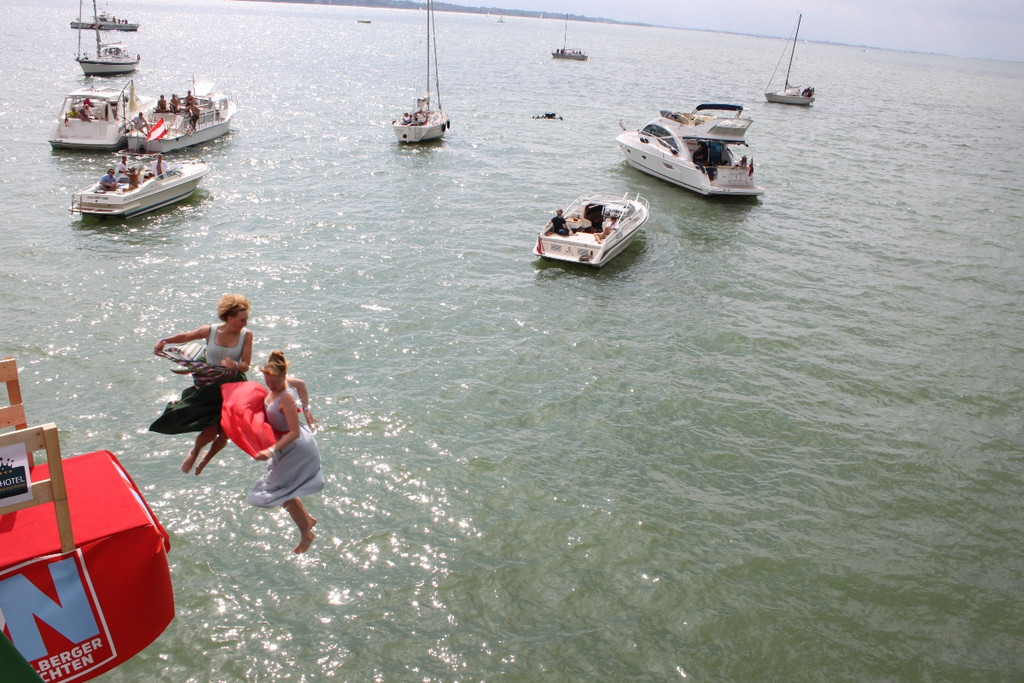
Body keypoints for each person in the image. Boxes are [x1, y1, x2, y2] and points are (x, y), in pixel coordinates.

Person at [150, 293, 254, 475]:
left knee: (226, 433)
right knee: (210, 433)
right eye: (242, 320)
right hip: (209, 387)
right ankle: (195, 452)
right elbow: (187, 336)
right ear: (230, 318)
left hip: (232, 386)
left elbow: (245, 365)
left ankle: (206, 458)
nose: (245, 323)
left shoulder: (246, 335)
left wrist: (236, 365)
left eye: (246, 319)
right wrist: (164, 341)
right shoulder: (210, 330)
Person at [246, 350, 324, 554]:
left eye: (274, 382)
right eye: (267, 381)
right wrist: (306, 409)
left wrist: (270, 450)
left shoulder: (287, 397)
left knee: (278, 491)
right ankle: (307, 520)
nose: (270, 386)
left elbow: (294, 433)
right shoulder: (278, 386)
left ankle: (306, 533)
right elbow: (302, 385)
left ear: (283, 377)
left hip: (295, 447)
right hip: (282, 447)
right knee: (281, 489)